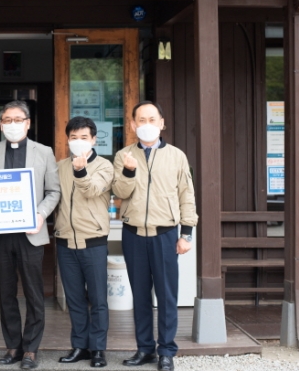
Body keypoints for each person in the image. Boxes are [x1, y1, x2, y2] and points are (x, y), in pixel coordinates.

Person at [112, 101, 198, 371]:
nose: (146, 125)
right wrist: (128, 170)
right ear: (132, 125)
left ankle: (167, 351)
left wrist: (187, 233)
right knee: (139, 295)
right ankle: (145, 348)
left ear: (162, 123)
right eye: (141, 120)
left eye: (152, 119)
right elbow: (120, 193)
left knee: (167, 294)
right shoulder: (124, 155)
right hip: (133, 234)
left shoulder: (176, 156)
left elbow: (187, 195)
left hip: (166, 235)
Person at [0, 100, 61, 370]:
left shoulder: (44, 152)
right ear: (1, 124)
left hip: (30, 233)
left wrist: (40, 215)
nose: (12, 124)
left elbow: (53, 191)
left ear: (28, 123)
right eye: (6, 120)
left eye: (17, 119)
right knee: (6, 293)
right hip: (1, 235)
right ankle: (13, 346)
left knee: (34, 293)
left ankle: (31, 349)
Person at [55, 117, 113, 368]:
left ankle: (98, 349)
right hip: (65, 241)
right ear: (67, 139)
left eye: (83, 138)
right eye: (73, 138)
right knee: (75, 299)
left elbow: (91, 189)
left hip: (94, 242)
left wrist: (80, 170)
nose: (78, 142)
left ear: (93, 139)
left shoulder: (104, 166)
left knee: (98, 300)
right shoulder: (59, 166)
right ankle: (80, 346)